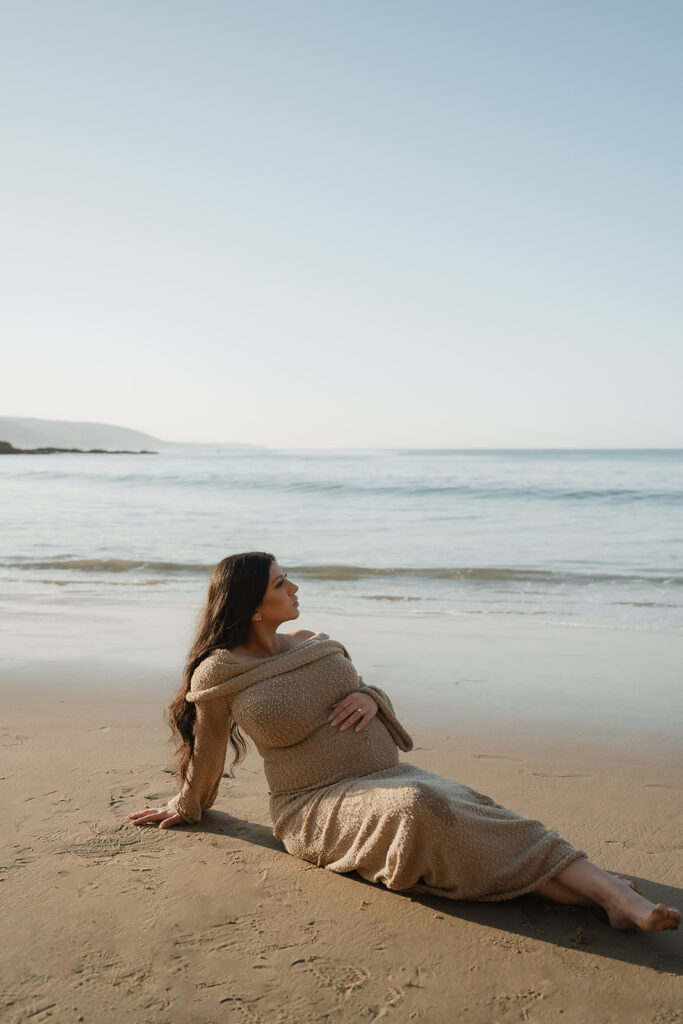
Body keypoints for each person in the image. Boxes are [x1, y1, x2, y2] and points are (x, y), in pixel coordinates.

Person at [130, 552, 680, 933]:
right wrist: (187, 805)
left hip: (392, 777)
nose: (294, 588)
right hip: (316, 804)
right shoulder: (220, 673)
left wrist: (371, 699)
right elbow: (206, 756)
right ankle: (610, 895)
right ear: (252, 603)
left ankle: (614, 899)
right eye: (280, 583)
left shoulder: (311, 643)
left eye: (288, 578)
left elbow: (364, 689)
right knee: (427, 811)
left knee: (480, 815)